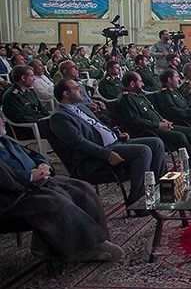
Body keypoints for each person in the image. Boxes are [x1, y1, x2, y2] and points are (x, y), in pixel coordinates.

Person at [0, 114, 124, 262]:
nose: (4, 120)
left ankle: (93, 243)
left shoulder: (5, 140)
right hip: (13, 195)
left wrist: (43, 164)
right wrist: (30, 176)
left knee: (82, 189)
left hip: (37, 182)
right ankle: (85, 247)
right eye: (0, 117)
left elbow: (33, 154)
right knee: (56, 202)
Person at [49, 79, 167, 214]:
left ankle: (162, 189)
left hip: (115, 143)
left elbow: (98, 126)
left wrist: (117, 134)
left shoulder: (81, 107)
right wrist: (107, 154)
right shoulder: (59, 117)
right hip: (96, 155)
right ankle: (137, 200)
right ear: (66, 94)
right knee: (143, 151)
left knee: (156, 143)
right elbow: (79, 143)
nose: (81, 90)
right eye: (76, 88)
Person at [117, 71, 191, 172]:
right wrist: (158, 124)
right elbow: (135, 121)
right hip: (149, 130)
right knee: (180, 136)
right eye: (140, 81)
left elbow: (153, 112)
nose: (143, 84)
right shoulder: (127, 99)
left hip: (161, 125)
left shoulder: (139, 95)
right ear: (132, 84)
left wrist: (163, 120)